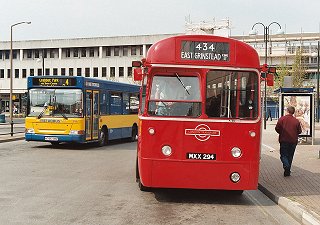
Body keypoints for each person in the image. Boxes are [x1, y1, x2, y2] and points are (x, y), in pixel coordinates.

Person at [275, 106, 302, 177]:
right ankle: (287, 171)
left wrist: (281, 132)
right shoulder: (296, 121)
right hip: (293, 141)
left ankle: (286, 166)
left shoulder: (282, 119)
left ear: (287, 111)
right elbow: (299, 131)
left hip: (284, 140)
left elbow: (277, 128)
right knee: (290, 156)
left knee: (283, 155)